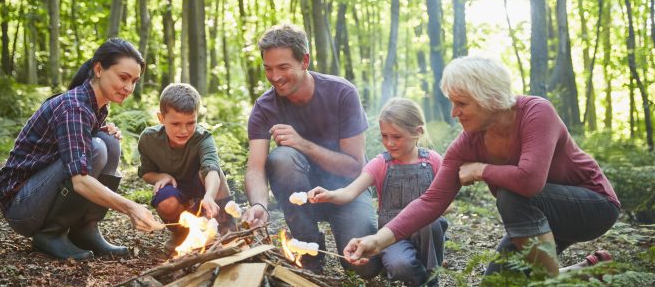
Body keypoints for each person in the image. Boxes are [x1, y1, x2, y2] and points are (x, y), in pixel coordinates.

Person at [343, 56, 620, 278]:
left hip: (594, 206)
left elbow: (530, 181)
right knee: (495, 282)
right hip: (538, 220)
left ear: (489, 96)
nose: (454, 112)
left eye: (462, 103)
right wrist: (377, 241)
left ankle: (551, 281)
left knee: (511, 196)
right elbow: (431, 201)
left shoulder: (536, 112)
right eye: (453, 103)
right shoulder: (467, 143)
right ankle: (582, 272)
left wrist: (480, 170)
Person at [0, 38, 163, 261]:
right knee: (96, 148)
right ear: (98, 69)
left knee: (109, 142)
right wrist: (131, 207)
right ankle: (50, 234)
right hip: (22, 206)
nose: (129, 87)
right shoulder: (74, 106)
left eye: (134, 81)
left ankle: (84, 230)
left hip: (39, 195)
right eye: (123, 77)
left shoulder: (96, 106)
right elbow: (80, 181)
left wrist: (99, 130)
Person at [242, 23, 381, 277]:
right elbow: (255, 168)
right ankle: (309, 252)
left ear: (304, 61)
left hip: (346, 191)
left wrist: (302, 143)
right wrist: (259, 204)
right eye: (268, 68)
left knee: (364, 268)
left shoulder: (342, 93)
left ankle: (388, 235)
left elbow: (355, 166)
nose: (275, 77)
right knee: (282, 157)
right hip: (302, 196)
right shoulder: (264, 107)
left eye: (283, 67)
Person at [309, 97, 448, 286]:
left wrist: (429, 210)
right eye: (384, 136)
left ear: (418, 132)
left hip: (426, 235)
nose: (389, 143)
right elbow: (350, 192)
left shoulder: (433, 160)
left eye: (396, 137)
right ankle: (420, 280)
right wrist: (330, 194)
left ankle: (432, 281)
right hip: (391, 236)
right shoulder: (381, 163)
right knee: (400, 265)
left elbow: (447, 202)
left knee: (431, 223)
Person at [138, 83, 234, 253]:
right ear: (161, 118)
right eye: (175, 124)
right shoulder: (149, 139)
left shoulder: (203, 138)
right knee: (166, 202)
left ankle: (227, 227)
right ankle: (182, 233)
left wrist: (209, 196)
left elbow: (211, 168)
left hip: (201, 190)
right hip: (176, 193)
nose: (184, 130)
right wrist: (160, 177)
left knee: (215, 172)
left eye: (191, 123)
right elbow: (145, 173)